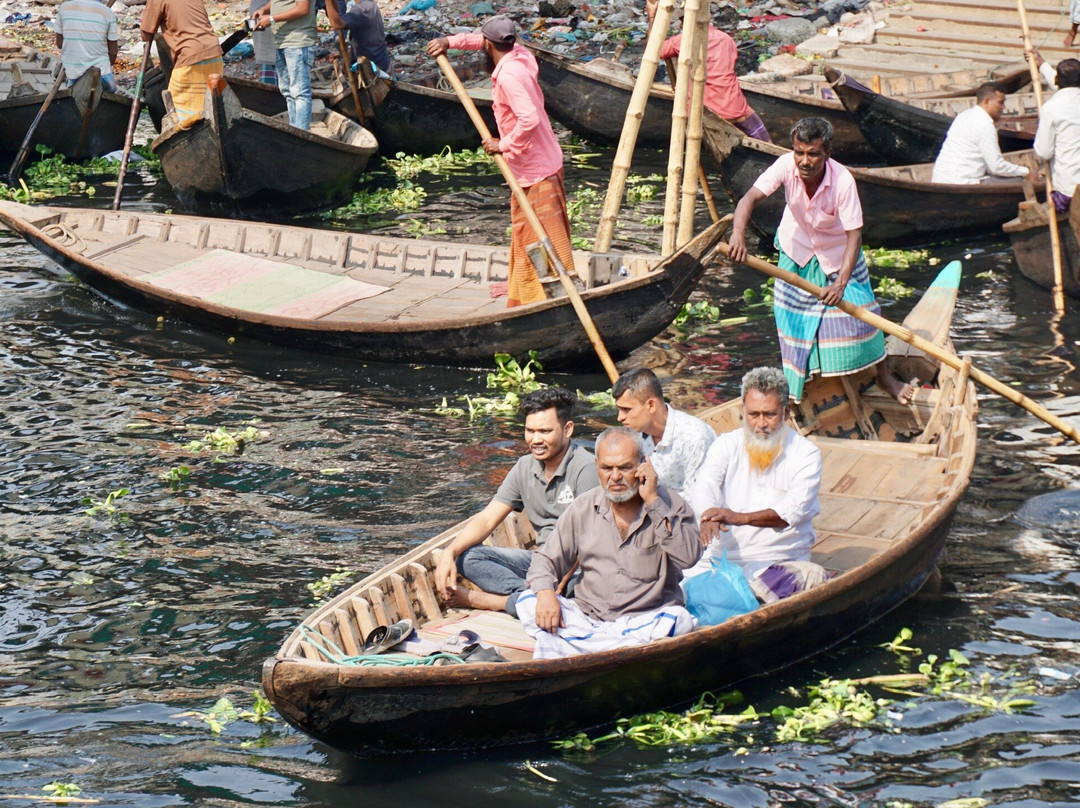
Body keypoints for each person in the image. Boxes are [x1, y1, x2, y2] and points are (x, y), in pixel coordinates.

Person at [728, 117, 913, 405]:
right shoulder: (785, 165)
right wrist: (738, 234)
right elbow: (749, 199)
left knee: (864, 316)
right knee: (792, 320)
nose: (804, 161)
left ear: (827, 153)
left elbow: (854, 236)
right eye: (799, 152)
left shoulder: (843, 181)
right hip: (797, 248)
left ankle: (883, 376)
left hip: (838, 254)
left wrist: (840, 284)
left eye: (813, 154)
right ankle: (801, 388)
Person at [514, 427, 702, 658]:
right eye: (607, 468)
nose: (615, 477)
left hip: (647, 619)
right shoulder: (583, 507)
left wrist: (653, 502)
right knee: (528, 601)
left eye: (624, 467)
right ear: (597, 467)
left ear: (643, 464)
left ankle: (579, 646)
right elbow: (545, 560)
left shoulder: (669, 504)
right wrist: (545, 595)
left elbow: (689, 558)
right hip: (589, 619)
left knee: (679, 620)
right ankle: (606, 645)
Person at [425, 16, 573, 308]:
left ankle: (550, 298)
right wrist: (449, 42)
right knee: (525, 231)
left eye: (485, 43)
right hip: (541, 161)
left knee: (542, 238)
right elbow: (480, 39)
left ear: (490, 47)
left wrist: (502, 145)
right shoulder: (522, 55)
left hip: (536, 169)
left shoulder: (508, 76)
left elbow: (528, 119)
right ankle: (526, 292)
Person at [432, 387, 599, 617]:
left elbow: (589, 543)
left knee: (585, 590)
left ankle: (497, 602)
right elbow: (487, 518)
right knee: (469, 557)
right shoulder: (524, 466)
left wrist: (551, 587)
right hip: (541, 564)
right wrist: (449, 553)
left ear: (567, 429)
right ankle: (529, 600)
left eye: (545, 431)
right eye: (530, 431)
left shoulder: (586, 468)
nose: (535, 440)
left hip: (578, 572)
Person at [685, 367, 825, 602]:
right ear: (743, 411)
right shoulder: (726, 445)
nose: (761, 423)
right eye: (753, 414)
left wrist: (737, 517)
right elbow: (705, 486)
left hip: (777, 558)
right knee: (676, 584)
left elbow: (790, 513)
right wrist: (707, 516)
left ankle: (736, 598)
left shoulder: (807, 454)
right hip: (723, 558)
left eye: (769, 414)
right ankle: (735, 597)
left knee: (809, 574)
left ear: (786, 412)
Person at [645, 0, 770, 142]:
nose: (680, 25)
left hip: (708, 110)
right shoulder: (727, 39)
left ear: (691, 19)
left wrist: (652, 18)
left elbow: (653, 49)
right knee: (755, 124)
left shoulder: (682, 41)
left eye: (682, 21)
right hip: (736, 106)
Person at [612, 367, 715, 496]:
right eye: (619, 409)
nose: (619, 417)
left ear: (651, 405)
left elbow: (700, 501)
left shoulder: (694, 437)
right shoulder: (633, 435)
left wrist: (654, 501)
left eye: (626, 409)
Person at [252, 0, 346, 130]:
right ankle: (295, 129)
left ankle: (302, 132)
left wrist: (272, 19)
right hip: (281, 41)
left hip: (298, 42)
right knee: (287, 91)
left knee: (299, 92)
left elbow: (302, 9)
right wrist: (264, 9)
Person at [141, 0, 223, 127]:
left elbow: (146, 35)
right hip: (215, 54)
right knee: (211, 106)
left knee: (178, 107)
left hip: (190, 58)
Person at [930, 83, 1030, 185]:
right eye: (1001, 103)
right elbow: (996, 167)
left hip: (939, 179)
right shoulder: (985, 125)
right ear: (986, 101)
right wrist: (1026, 172)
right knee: (1021, 180)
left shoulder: (964, 115)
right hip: (962, 182)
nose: (1003, 107)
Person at [1028, 52, 1080, 212]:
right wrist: (1042, 64)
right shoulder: (1054, 106)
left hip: (1068, 191)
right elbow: (1066, 88)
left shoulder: (1051, 108)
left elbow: (1044, 152)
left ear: (1057, 81)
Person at [55, 0, 119, 93]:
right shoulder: (108, 12)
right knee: (112, 89)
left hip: (74, 71)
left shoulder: (64, 8)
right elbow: (113, 52)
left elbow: (59, 44)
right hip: (101, 71)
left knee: (73, 87)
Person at [339, 0, 392, 76]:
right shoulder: (371, 4)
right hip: (382, 62)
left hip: (373, 68)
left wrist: (329, 3)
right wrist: (348, 56)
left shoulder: (360, 9)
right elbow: (361, 38)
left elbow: (337, 24)